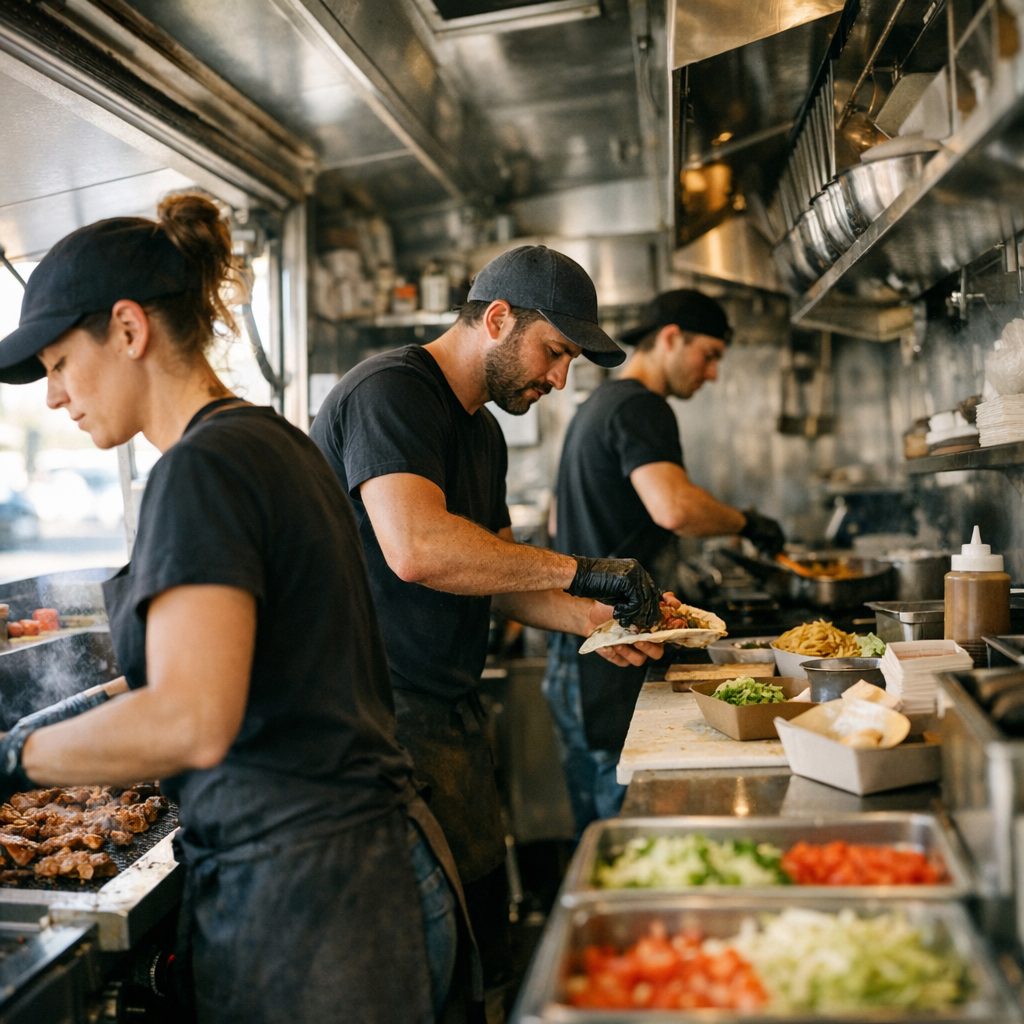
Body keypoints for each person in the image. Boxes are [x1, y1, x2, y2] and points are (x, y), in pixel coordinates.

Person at [0, 194, 468, 1024]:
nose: (53, 396)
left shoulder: (198, 472)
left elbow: (190, 720)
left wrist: (15, 759)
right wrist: (75, 709)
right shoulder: (270, 441)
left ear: (128, 329)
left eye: (60, 363)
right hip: (368, 869)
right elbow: (247, 660)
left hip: (312, 905)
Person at [309, 244, 664, 1018]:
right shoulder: (391, 392)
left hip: (449, 716)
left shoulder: (483, 433)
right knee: (416, 964)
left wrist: (601, 624)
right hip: (374, 723)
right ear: (497, 318)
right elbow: (418, 548)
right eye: (555, 351)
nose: (560, 378)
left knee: (479, 952)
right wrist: (582, 570)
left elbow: (502, 579)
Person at [543, 288, 786, 836]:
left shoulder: (597, 406)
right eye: (710, 354)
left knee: (599, 832)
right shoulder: (640, 406)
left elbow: (559, 521)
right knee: (630, 827)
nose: (713, 373)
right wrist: (748, 523)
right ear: (672, 337)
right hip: (609, 654)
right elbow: (673, 506)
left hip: (574, 652)